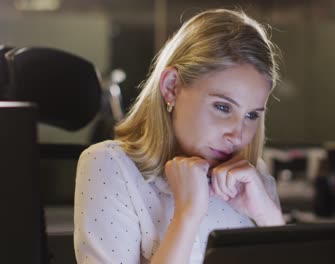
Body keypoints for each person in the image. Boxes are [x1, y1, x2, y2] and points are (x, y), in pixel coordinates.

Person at [74, 8, 285, 264]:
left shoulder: (253, 180)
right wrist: (187, 215)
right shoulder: (111, 166)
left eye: (251, 115)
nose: (237, 135)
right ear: (171, 87)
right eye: (223, 107)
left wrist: (269, 219)